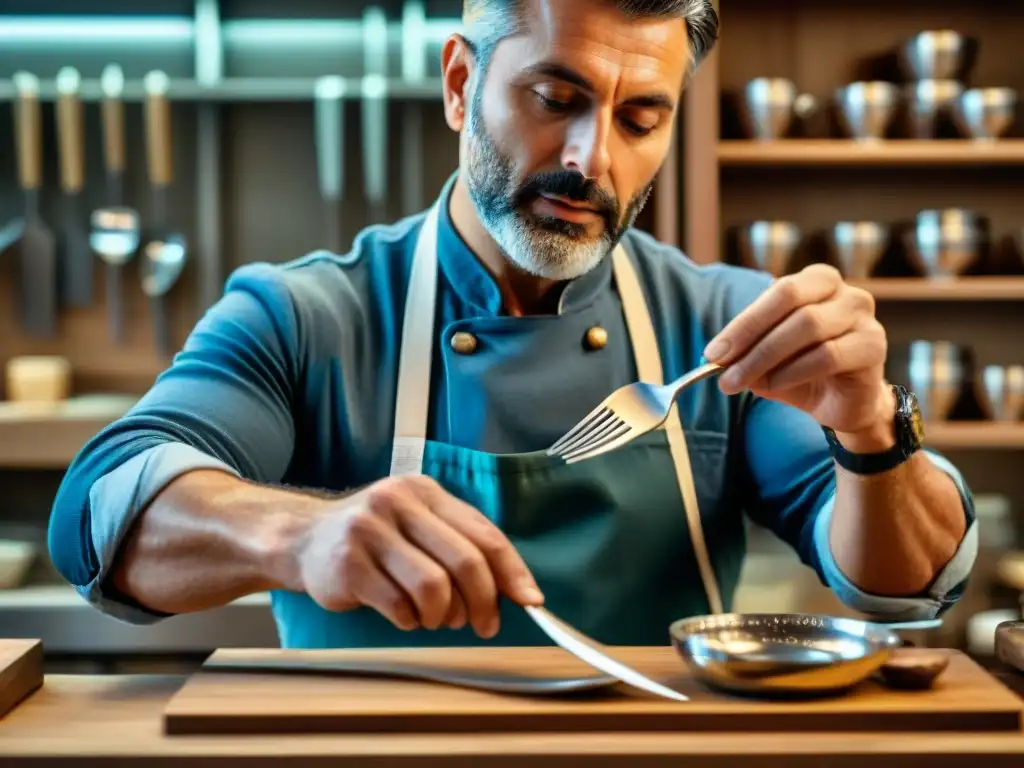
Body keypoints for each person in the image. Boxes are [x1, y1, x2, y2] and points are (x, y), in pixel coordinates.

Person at [47, 0, 975, 648]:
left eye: (641, 118)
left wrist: (870, 431)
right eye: (555, 99)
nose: (591, 158)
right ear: (461, 83)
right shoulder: (304, 316)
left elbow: (908, 586)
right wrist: (298, 537)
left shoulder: (723, 322)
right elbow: (105, 511)